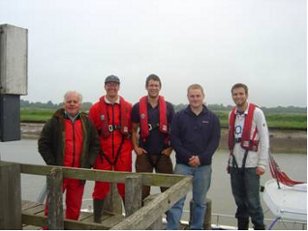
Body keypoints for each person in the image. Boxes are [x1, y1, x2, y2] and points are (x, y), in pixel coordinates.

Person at [38, 90, 100, 221]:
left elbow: (95, 144)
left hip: (78, 174)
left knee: (74, 208)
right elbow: (43, 144)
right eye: (69, 101)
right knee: (52, 205)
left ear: (80, 104)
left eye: (75, 102)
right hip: (58, 172)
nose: (72, 104)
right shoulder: (54, 122)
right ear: (64, 103)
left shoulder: (87, 123)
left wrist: (89, 163)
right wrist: (52, 163)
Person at [166, 84, 220, 230]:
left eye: (198, 96)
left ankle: (196, 228)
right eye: (192, 96)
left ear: (203, 96)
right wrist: (189, 157)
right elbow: (175, 140)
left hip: (204, 167)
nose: (195, 99)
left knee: (199, 202)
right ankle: (172, 228)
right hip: (183, 165)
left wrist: (200, 159)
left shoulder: (213, 118)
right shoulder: (179, 117)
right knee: (177, 201)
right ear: (188, 97)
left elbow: (214, 142)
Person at [89, 75, 133, 223]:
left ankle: (131, 220)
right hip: (103, 154)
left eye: (115, 85)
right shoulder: (95, 108)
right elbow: (90, 134)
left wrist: (134, 148)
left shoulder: (128, 107)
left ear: (119, 87)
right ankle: (97, 221)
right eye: (109, 84)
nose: (112, 87)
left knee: (125, 186)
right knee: (100, 186)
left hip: (123, 152)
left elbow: (134, 131)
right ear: (105, 86)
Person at [227, 83, 269, 230]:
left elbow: (264, 139)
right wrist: (229, 162)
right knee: (239, 201)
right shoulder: (231, 114)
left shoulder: (257, 113)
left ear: (246, 94)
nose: (238, 97)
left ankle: (259, 227)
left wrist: (262, 164)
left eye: (241, 94)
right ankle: (242, 227)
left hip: (252, 165)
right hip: (235, 164)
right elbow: (233, 140)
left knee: (253, 202)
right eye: (235, 94)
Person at [131, 74, 175, 201]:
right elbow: (134, 130)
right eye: (151, 85)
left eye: (156, 85)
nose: (153, 88)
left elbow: (175, 132)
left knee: (167, 190)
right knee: (141, 190)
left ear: (160, 87)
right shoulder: (137, 107)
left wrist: (170, 149)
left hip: (163, 153)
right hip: (144, 153)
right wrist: (135, 148)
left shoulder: (169, 107)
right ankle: (140, 218)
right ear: (146, 87)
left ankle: (171, 219)